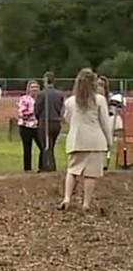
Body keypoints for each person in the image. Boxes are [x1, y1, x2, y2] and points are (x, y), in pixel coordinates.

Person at [59, 68, 112, 211]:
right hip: (95, 141)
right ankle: (86, 203)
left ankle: (67, 198)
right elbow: (105, 122)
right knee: (90, 174)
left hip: (76, 140)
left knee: (72, 170)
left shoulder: (70, 101)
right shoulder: (99, 100)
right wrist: (109, 141)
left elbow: (68, 119)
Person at [34, 71, 64, 172]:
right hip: (56, 122)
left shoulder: (42, 94)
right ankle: (49, 166)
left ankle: (48, 167)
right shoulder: (59, 94)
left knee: (46, 146)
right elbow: (61, 108)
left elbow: (37, 109)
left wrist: (38, 118)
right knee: (50, 145)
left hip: (45, 121)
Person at [17, 80, 40, 172]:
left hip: (37, 126)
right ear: (28, 89)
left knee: (42, 147)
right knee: (27, 148)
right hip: (25, 126)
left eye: (36, 87)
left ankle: (41, 167)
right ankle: (27, 168)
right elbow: (22, 113)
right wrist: (34, 112)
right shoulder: (24, 99)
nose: (34, 89)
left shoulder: (41, 98)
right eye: (32, 87)